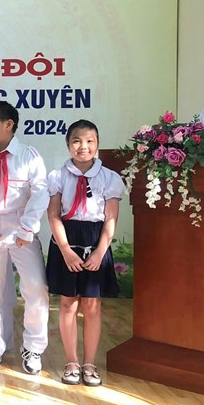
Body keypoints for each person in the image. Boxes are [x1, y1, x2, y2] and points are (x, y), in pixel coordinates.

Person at [0, 101, 49, 375]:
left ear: (9, 124)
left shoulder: (29, 156)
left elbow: (40, 194)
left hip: (20, 228)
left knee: (35, 287)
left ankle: (33, 347)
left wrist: (27, 229)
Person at [46, 120, 123, 387]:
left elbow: (111, 218)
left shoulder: (110, 178)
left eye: (90, 141)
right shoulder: (57, 176)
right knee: (68, 303)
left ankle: (89, 363)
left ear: (97, 144)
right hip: (66, 241)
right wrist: (65, 250)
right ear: (68, 145)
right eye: (77, 141)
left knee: (91, 304)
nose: (83, 146)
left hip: (96, 241)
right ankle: (71, 362)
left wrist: (101, 251)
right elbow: (53, 214)